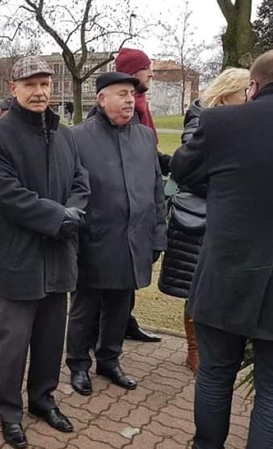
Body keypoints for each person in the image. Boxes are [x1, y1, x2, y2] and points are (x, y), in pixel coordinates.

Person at [171, 49, 273, 449]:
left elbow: (183, 170)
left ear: (253, 86)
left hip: (227, 270)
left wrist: (224, 190)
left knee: (215, 374)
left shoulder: (222, 122)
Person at [0, 55, 90, 449]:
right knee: (14, 342)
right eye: (30, 84)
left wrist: (73, 212)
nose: (39, 91)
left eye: (44, 84)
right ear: (14, 89)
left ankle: (43, 399)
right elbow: (7, 195)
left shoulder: (66, 135)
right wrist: (58, 217)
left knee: (50, 338)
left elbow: (81, 181)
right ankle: (9, 410)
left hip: (59, 254)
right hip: (21, 256)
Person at [66, 72, 166, 396]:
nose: (129, 100)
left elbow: (156, 190)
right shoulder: (77, 137)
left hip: (134, 239)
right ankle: (78, 364)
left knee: (120, 305)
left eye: (132, 94)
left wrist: (158, 235)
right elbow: (70, 191)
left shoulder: (145, 137)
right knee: (85, 306)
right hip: (93, 238)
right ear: (101, 99)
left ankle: (109, 360)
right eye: (121, 93)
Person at [157, 67, 250, 374]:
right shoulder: (202, 119)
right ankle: (194, 349)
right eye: (245, 92)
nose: (250, 97)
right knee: (196, 285)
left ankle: (216, 349)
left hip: (231, 216)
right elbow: (189, 168)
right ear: (228, 92)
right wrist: (226, 188)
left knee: (224, 286)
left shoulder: (249, 120)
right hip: (199, 215)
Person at [112, 47, 165, 343]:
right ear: (133, 72)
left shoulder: (141, 105)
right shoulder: (131, 111)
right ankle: (106, 331)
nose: (151, 74)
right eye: (147, 68)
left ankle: (125, 320)